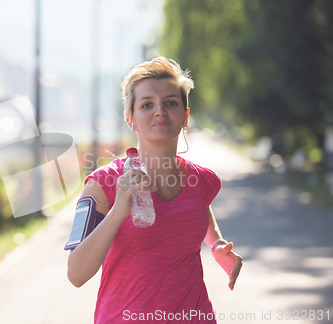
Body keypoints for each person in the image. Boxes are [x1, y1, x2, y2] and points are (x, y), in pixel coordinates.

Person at [66, 57, 243, 323]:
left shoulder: (202, 180)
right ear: (130, 118)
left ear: (185, 116)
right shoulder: (104, 183)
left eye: (171, 103)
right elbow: (76, 274)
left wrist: (216, 243)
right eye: (147, 105)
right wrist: (117, 212)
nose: (160, 111)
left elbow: (196, 208)